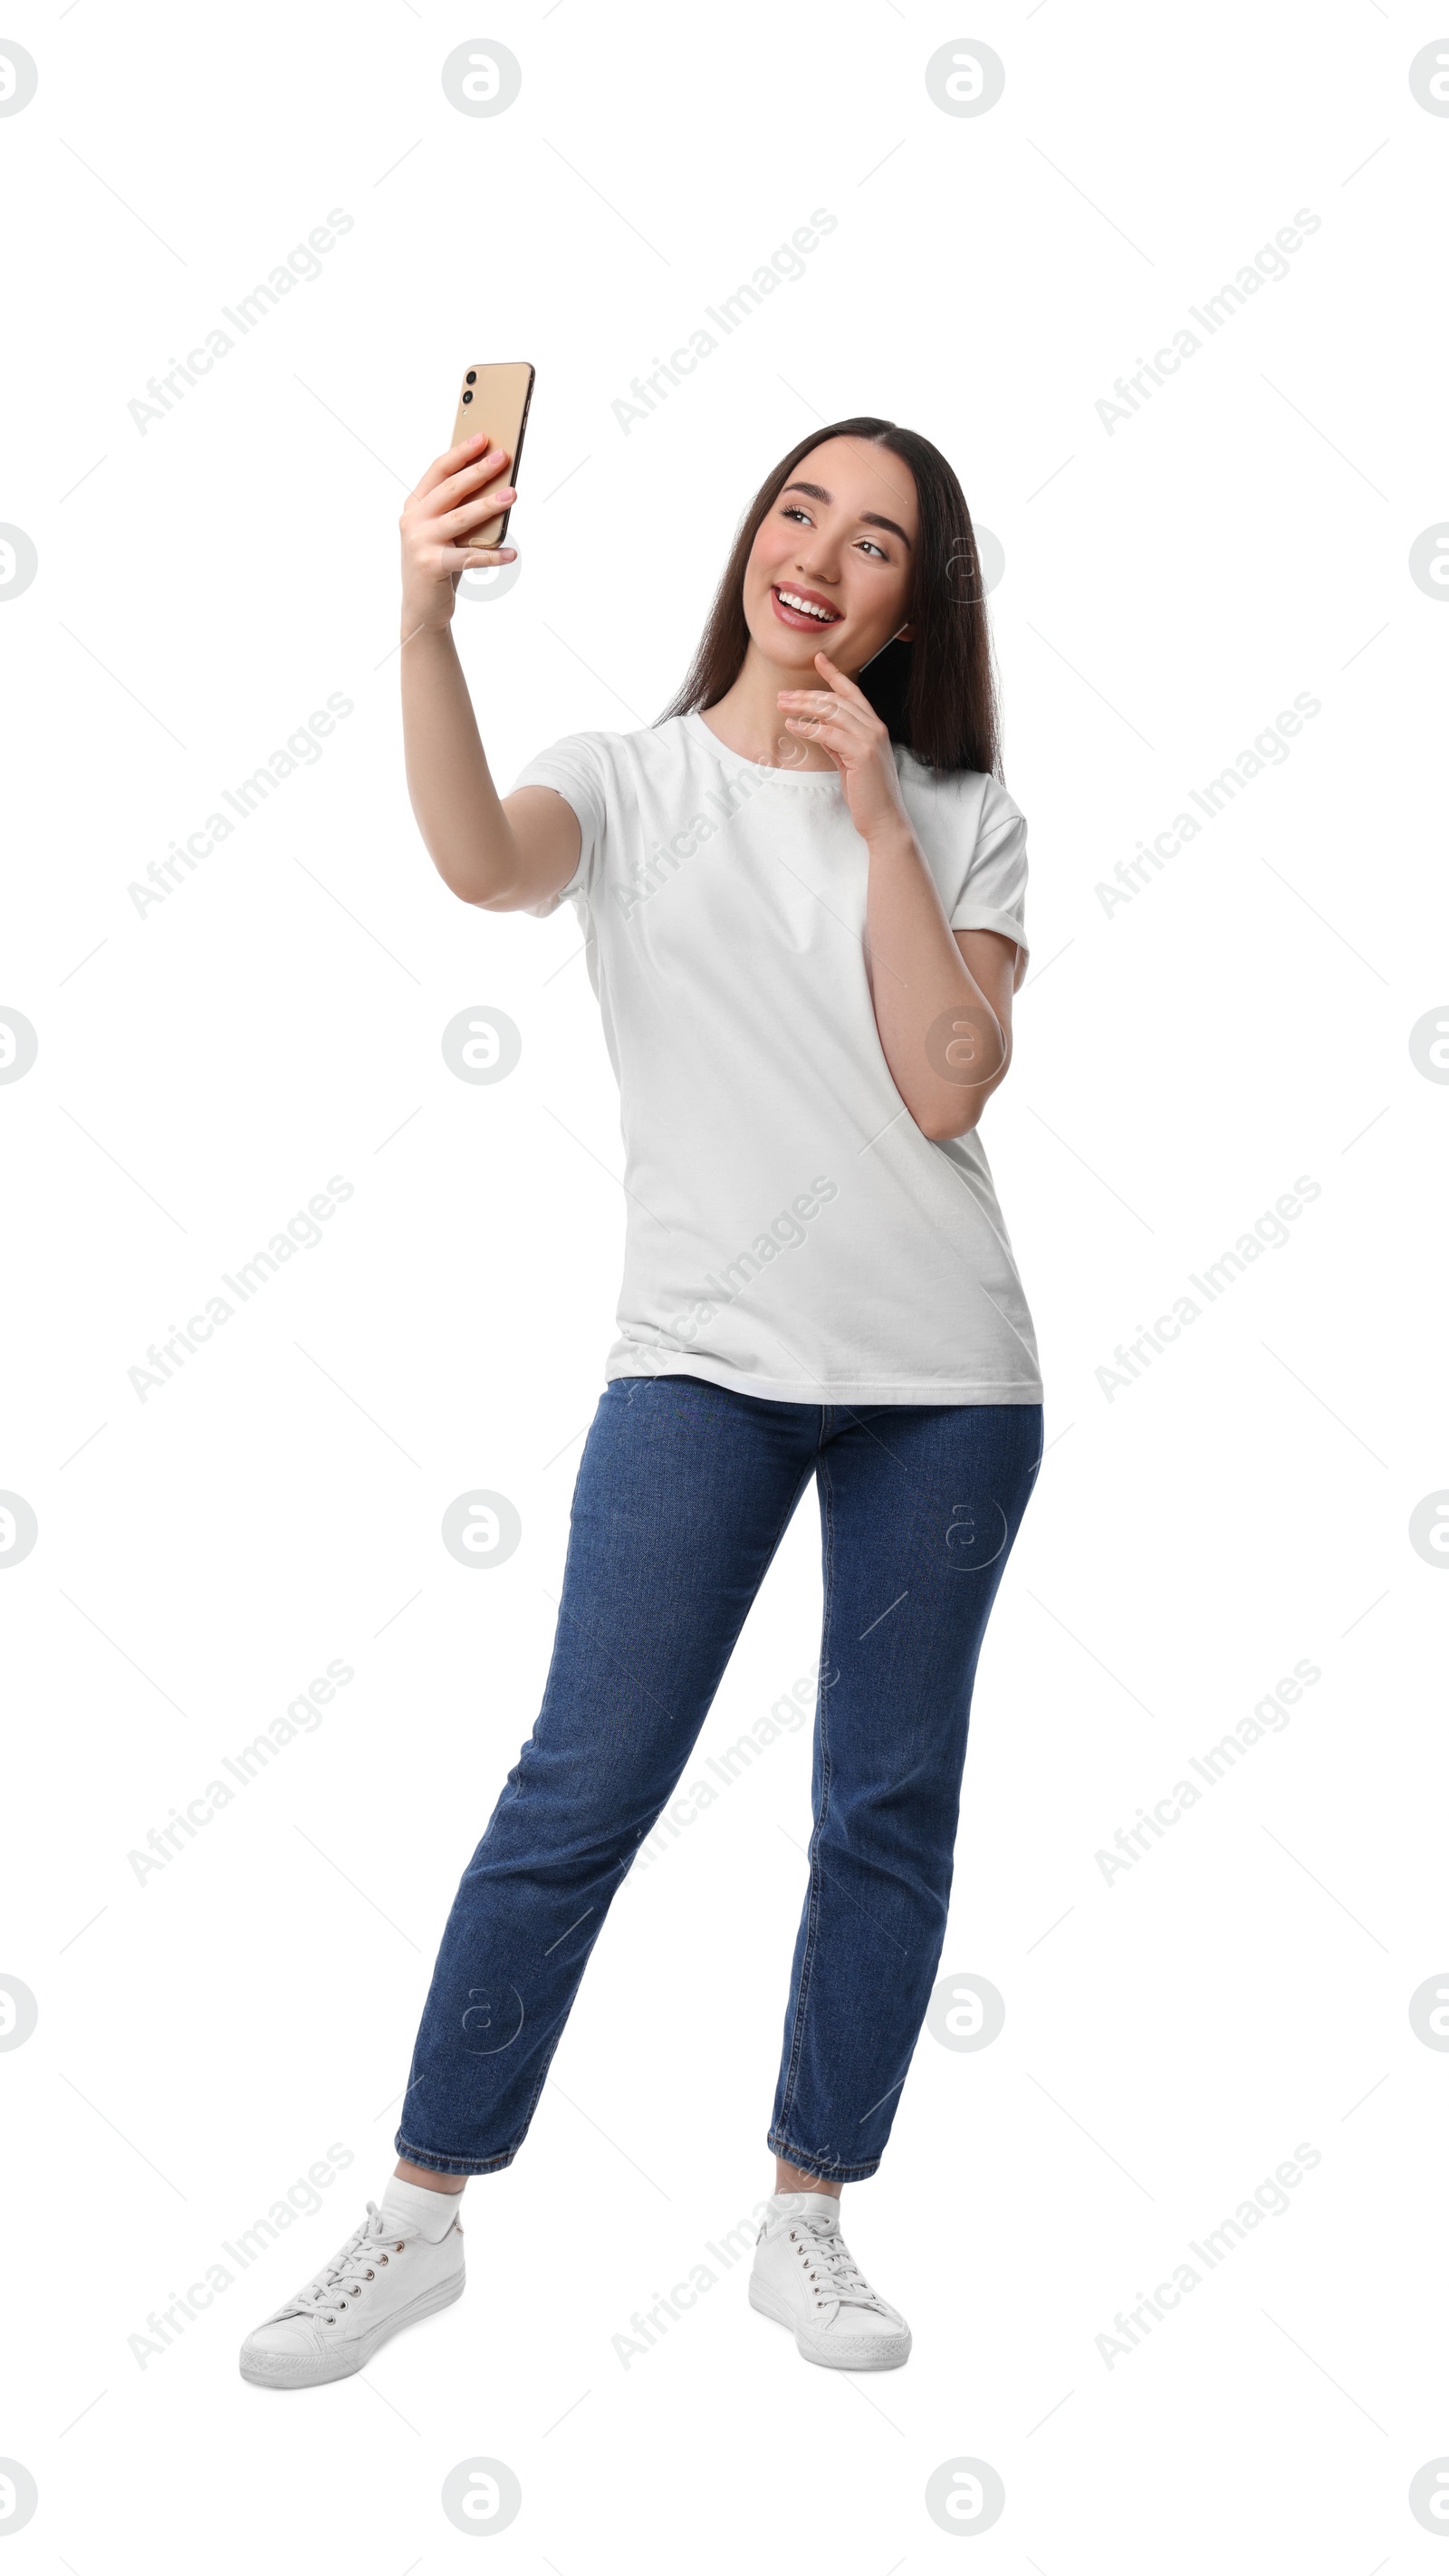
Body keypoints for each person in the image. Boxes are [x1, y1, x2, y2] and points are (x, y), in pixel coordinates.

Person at [240, 413, 1044, 2389]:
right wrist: (425, 623)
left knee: (883, 1804)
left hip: (944, 1381)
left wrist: (874, 831)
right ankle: (419, 2210)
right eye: (797, 513)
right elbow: (475, 861)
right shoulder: (628, 781)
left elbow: (948, 1082)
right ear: (750, 541)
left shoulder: (957, 809)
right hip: (700, 1362)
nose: (819, 559)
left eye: (872, 545)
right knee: (580, 1782)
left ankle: (806, 2216)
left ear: (904, 605)